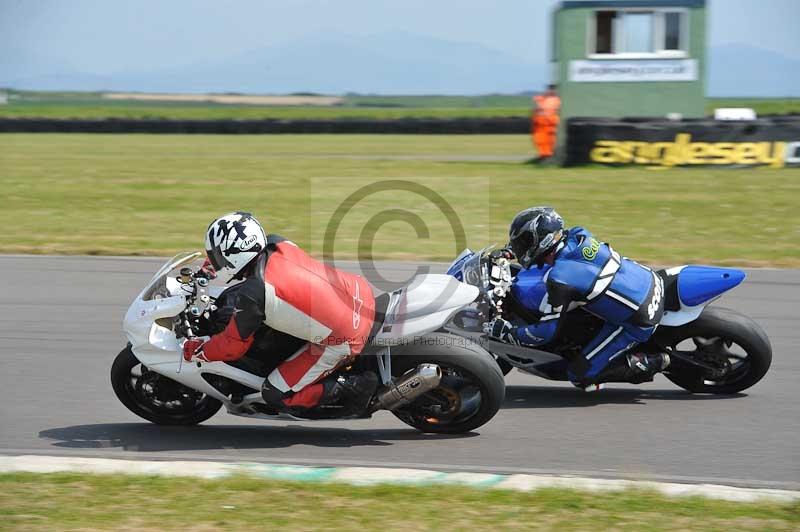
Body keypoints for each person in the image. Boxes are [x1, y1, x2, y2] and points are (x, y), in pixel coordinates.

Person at [183, 212, 379, 415]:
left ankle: (355, 385)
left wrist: (199, 350)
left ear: (235, 255)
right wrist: (213, 267)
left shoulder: (255, 293)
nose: (215, 261)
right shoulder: (277, 243)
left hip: (346, 337)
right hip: (358, 291)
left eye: (217, 256)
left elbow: (232, 347)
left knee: (275, 393)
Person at [485, 207, 670, 390]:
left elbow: (546, 331)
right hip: (649, 280)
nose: (519, 247)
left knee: (580, 374)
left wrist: (509, 333)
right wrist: (510, 252)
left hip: (638, 319)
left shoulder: (560, 278)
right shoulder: (578, 235)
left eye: (524, 242)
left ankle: (651, 362)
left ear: (543, 240)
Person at [531, 85, 561, 161]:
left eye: (553, 90)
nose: (551, 91)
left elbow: (558, 111)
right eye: (550, 90)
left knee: (550, 140)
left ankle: (548, 155)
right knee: (540, 140)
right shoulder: (542, 99)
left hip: (551, 123)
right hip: (541, 123)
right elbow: (536, 109)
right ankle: (543, 155)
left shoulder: (558, 100)